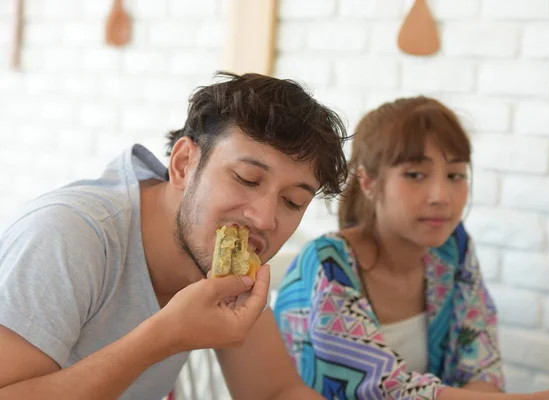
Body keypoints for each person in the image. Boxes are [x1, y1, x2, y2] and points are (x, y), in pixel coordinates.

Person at [0, 72, 350, 399]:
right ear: (183, 164)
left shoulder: (224, 263)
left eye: (293, 201)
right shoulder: (67, 235)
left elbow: (276, 392)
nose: (264, 218)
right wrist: (163, 336)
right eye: (246, 178)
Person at [273, 96, 549, 400]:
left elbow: (478, 362)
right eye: (415, 174)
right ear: (369, 182)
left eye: (455, 175)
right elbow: (385, 390)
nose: (441, 195)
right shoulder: (328, 263)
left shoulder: (452, 249)